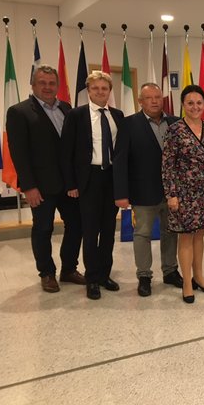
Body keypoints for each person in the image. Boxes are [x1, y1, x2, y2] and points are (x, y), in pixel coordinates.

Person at [6, 64, 84, 293]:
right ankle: (47, 273)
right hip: (40, 186)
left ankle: (69, 269)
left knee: (76, 226)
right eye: (42, 83)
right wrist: (28, 186)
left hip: (69, 185)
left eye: (52, 83)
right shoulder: (19, 112)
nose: (47, 87)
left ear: (58, 86)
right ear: (33, 85)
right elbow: (18, 153)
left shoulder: (67, 109)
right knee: (43, 229)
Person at [113, 83, 182, 297]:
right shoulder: (129, 124)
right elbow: (120, 160)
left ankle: (170, 271)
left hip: (172, 192)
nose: (154, 101)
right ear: (140, 101)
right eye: (148, 98)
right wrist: (121, 193)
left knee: (170, 233)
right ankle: (144, 275)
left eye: (157, 97)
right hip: (143, 192)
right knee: (142, 234)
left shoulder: (176, 122)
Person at [61, 71, 124, 300]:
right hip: (88, 180)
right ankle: (92, 278)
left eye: (104, 88)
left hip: (112, 179)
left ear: (109, 91)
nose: (100, 92)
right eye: (95, 88)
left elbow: (121, 151)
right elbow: (66, 152)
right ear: (88, 90)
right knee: (90, 231)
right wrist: (70, 183)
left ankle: (104, 274)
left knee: (108, 231)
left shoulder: (117, 115)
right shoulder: (76, 115)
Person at [162, 85, 204, 303]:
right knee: (185, 237)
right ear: (183, 105)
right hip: (183, 192)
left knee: (200, 235)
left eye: (199, 103)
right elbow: (167, 164)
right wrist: (171, 194)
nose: (195, 107)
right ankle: (187, 283)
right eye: (190, 103)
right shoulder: (175, 130)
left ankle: (200, 277)